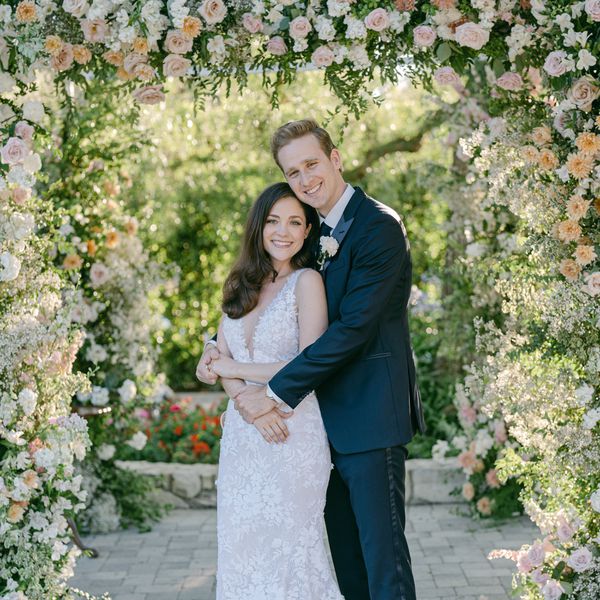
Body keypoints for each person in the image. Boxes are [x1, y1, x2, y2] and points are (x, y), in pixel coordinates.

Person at [198, 119, 426, 600]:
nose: (304, 179)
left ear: (335, 158)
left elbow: (353, 329)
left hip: (368, 420)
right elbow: (267, 305)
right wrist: (216, 351)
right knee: (347, 567)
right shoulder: (311, 228)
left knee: (384, 566)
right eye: (292, 170)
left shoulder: (378, 226)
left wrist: (272, 392)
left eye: (311, 164)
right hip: (317, 428)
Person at [210, 181, 344, 599]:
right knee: (241, 546)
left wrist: (232, 368)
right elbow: (217, 357)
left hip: (291, 430)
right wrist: (247, 404)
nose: (282, 231)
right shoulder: (239, 283)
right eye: (273, 221)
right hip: (244, 435)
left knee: (289, 550)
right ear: (258, 226)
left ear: (307, 231)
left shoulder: (307, 282)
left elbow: (310, 361)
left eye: (294, 222)